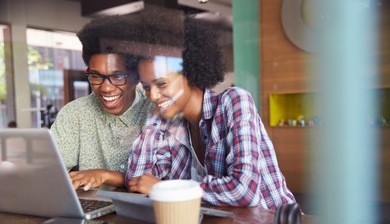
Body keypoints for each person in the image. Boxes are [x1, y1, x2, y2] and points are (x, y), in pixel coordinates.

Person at [125, 16, 296, 210]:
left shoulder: (234, 102)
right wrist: (153, 117)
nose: (153, 95)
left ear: (190, 73)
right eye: (146, 87)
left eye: (161, 84)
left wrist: (165, 188)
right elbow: (137, 181)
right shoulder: (171, 126)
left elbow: (244, 191)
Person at [51, 15, 154, 191]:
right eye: (96, 76)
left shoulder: (154, 109)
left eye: (117, 76)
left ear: (136, 76)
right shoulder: (75, 114)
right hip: (92, 210)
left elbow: (160, 181)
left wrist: (105, 175)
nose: (105, 88)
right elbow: (51, 171)